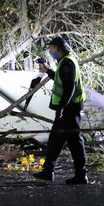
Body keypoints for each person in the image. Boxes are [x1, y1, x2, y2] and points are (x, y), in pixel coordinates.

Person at [32, 36, 88, 184]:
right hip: (66, 108)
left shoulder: (68, 63)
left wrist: (62, 107)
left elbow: (70, 88)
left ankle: (81, 175)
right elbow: (60, 79)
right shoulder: (64, 62)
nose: (50, 51)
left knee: (75, 142)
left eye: (51, 48)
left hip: (69, 109)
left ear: (57, 48)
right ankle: (48, 171)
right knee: (56, 140)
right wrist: (48, 70)